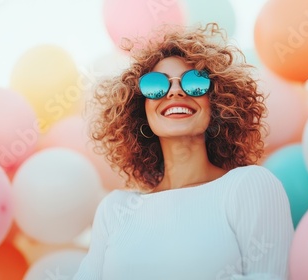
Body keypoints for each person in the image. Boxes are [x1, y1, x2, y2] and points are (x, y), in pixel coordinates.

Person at [73, 23, 294, 280]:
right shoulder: (114, 210)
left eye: (195, 83)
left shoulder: (249, 187)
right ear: (140, 109)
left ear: (216, 103)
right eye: (156, 85)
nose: (176, 91)